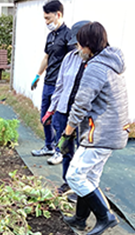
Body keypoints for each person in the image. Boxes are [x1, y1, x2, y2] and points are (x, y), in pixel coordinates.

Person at [60, 22, 129, 235]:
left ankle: (105, 217)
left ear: (88, 45)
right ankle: (80, 218)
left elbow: (81, 104)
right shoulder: (111, 62)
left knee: (74, 176)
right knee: (89, 177)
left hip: (100, 132)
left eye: (80, 44)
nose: (78, 49)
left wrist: (67, 134)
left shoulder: (96, 68)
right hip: (113, 130)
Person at [42, 21, 91, 202]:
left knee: (83, 151)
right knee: (66, 148)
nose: (75, 46)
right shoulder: (70, 58)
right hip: (64, 111)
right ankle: (67, 182)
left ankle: (81, 189)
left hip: (85, 116)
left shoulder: (94, 62)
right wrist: (52, 109)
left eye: (78, 42)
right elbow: (60, 86)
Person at [31, 0, 74, 157]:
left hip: (60, 86)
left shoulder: (69, 36)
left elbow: (72, 61)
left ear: (58, 15)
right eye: (45, 18)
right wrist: (37, 75)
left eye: (48, 18)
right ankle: (48, 146)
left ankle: (59, 151)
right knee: (45, 117)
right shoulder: (50, 36)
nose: (46, 22)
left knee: (57, 120)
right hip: (48, 83)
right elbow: (47, 57)